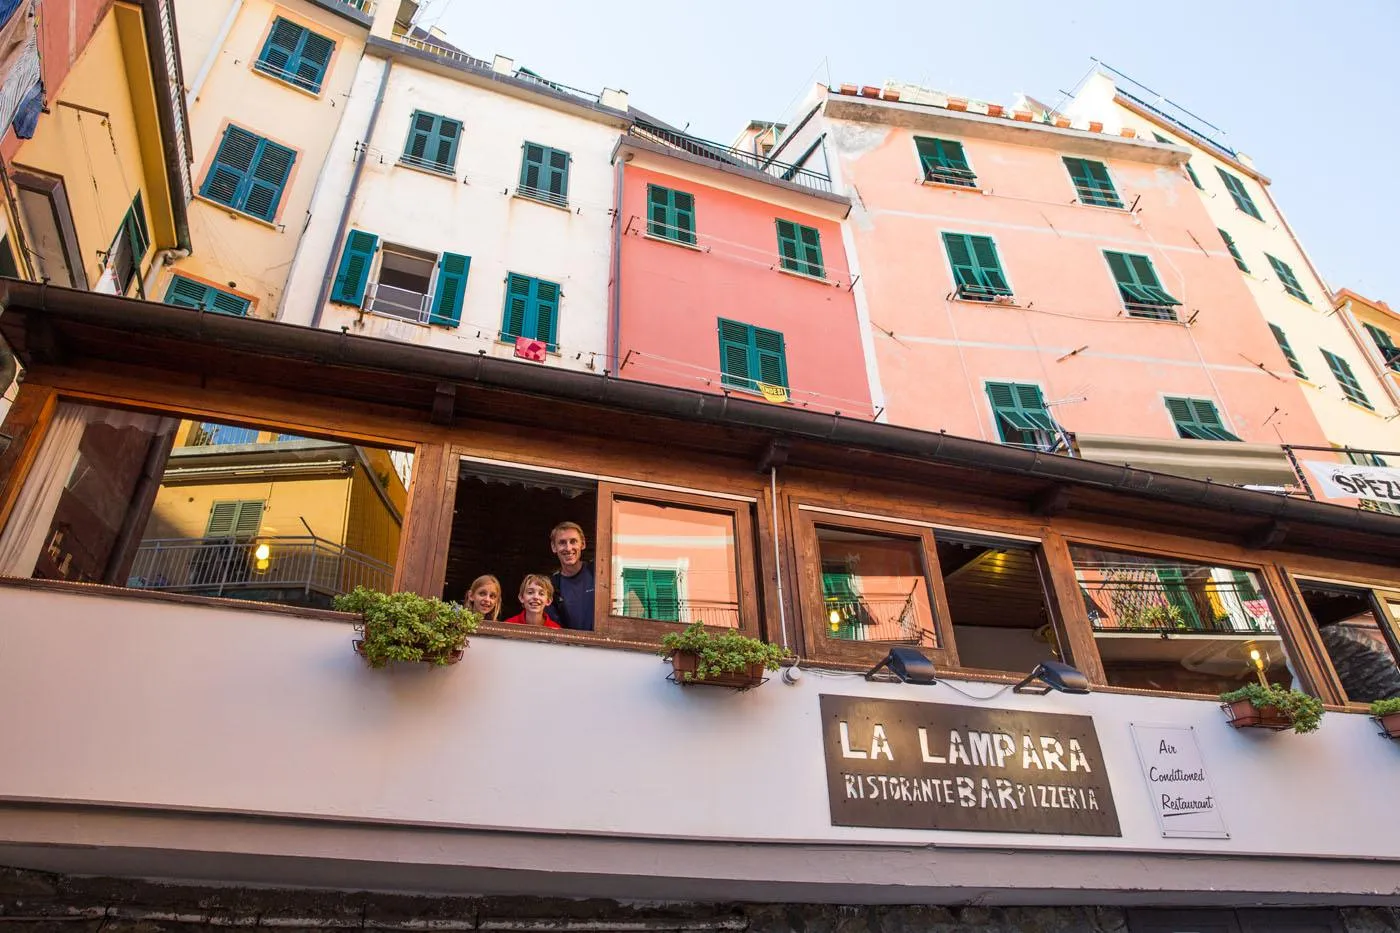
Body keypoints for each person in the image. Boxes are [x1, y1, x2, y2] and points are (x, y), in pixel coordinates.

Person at [548, 521, 594, 631]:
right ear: (554, 547)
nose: (568, 548)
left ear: (583, 544)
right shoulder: (552, 586)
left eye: (573, 541)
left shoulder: (598, 572)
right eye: (562, 543)